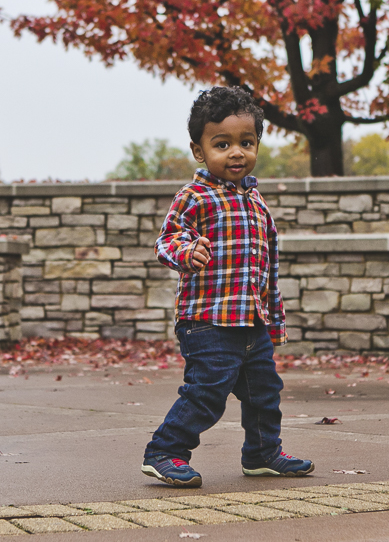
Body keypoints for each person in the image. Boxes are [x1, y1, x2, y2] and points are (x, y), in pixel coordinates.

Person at [140, 86, 314, 488]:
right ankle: (164, 451)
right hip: (208, 322)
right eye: (222, 144)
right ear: (199, 151)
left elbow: (265, 268)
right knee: (207, 391)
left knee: (264, 393)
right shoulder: (194, 197)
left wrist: (272, 321)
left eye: (246, 142)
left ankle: (262, 453)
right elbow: (166, 240)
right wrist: (186, 252)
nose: (236, 152)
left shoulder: (256, 202)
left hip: (251, 322)